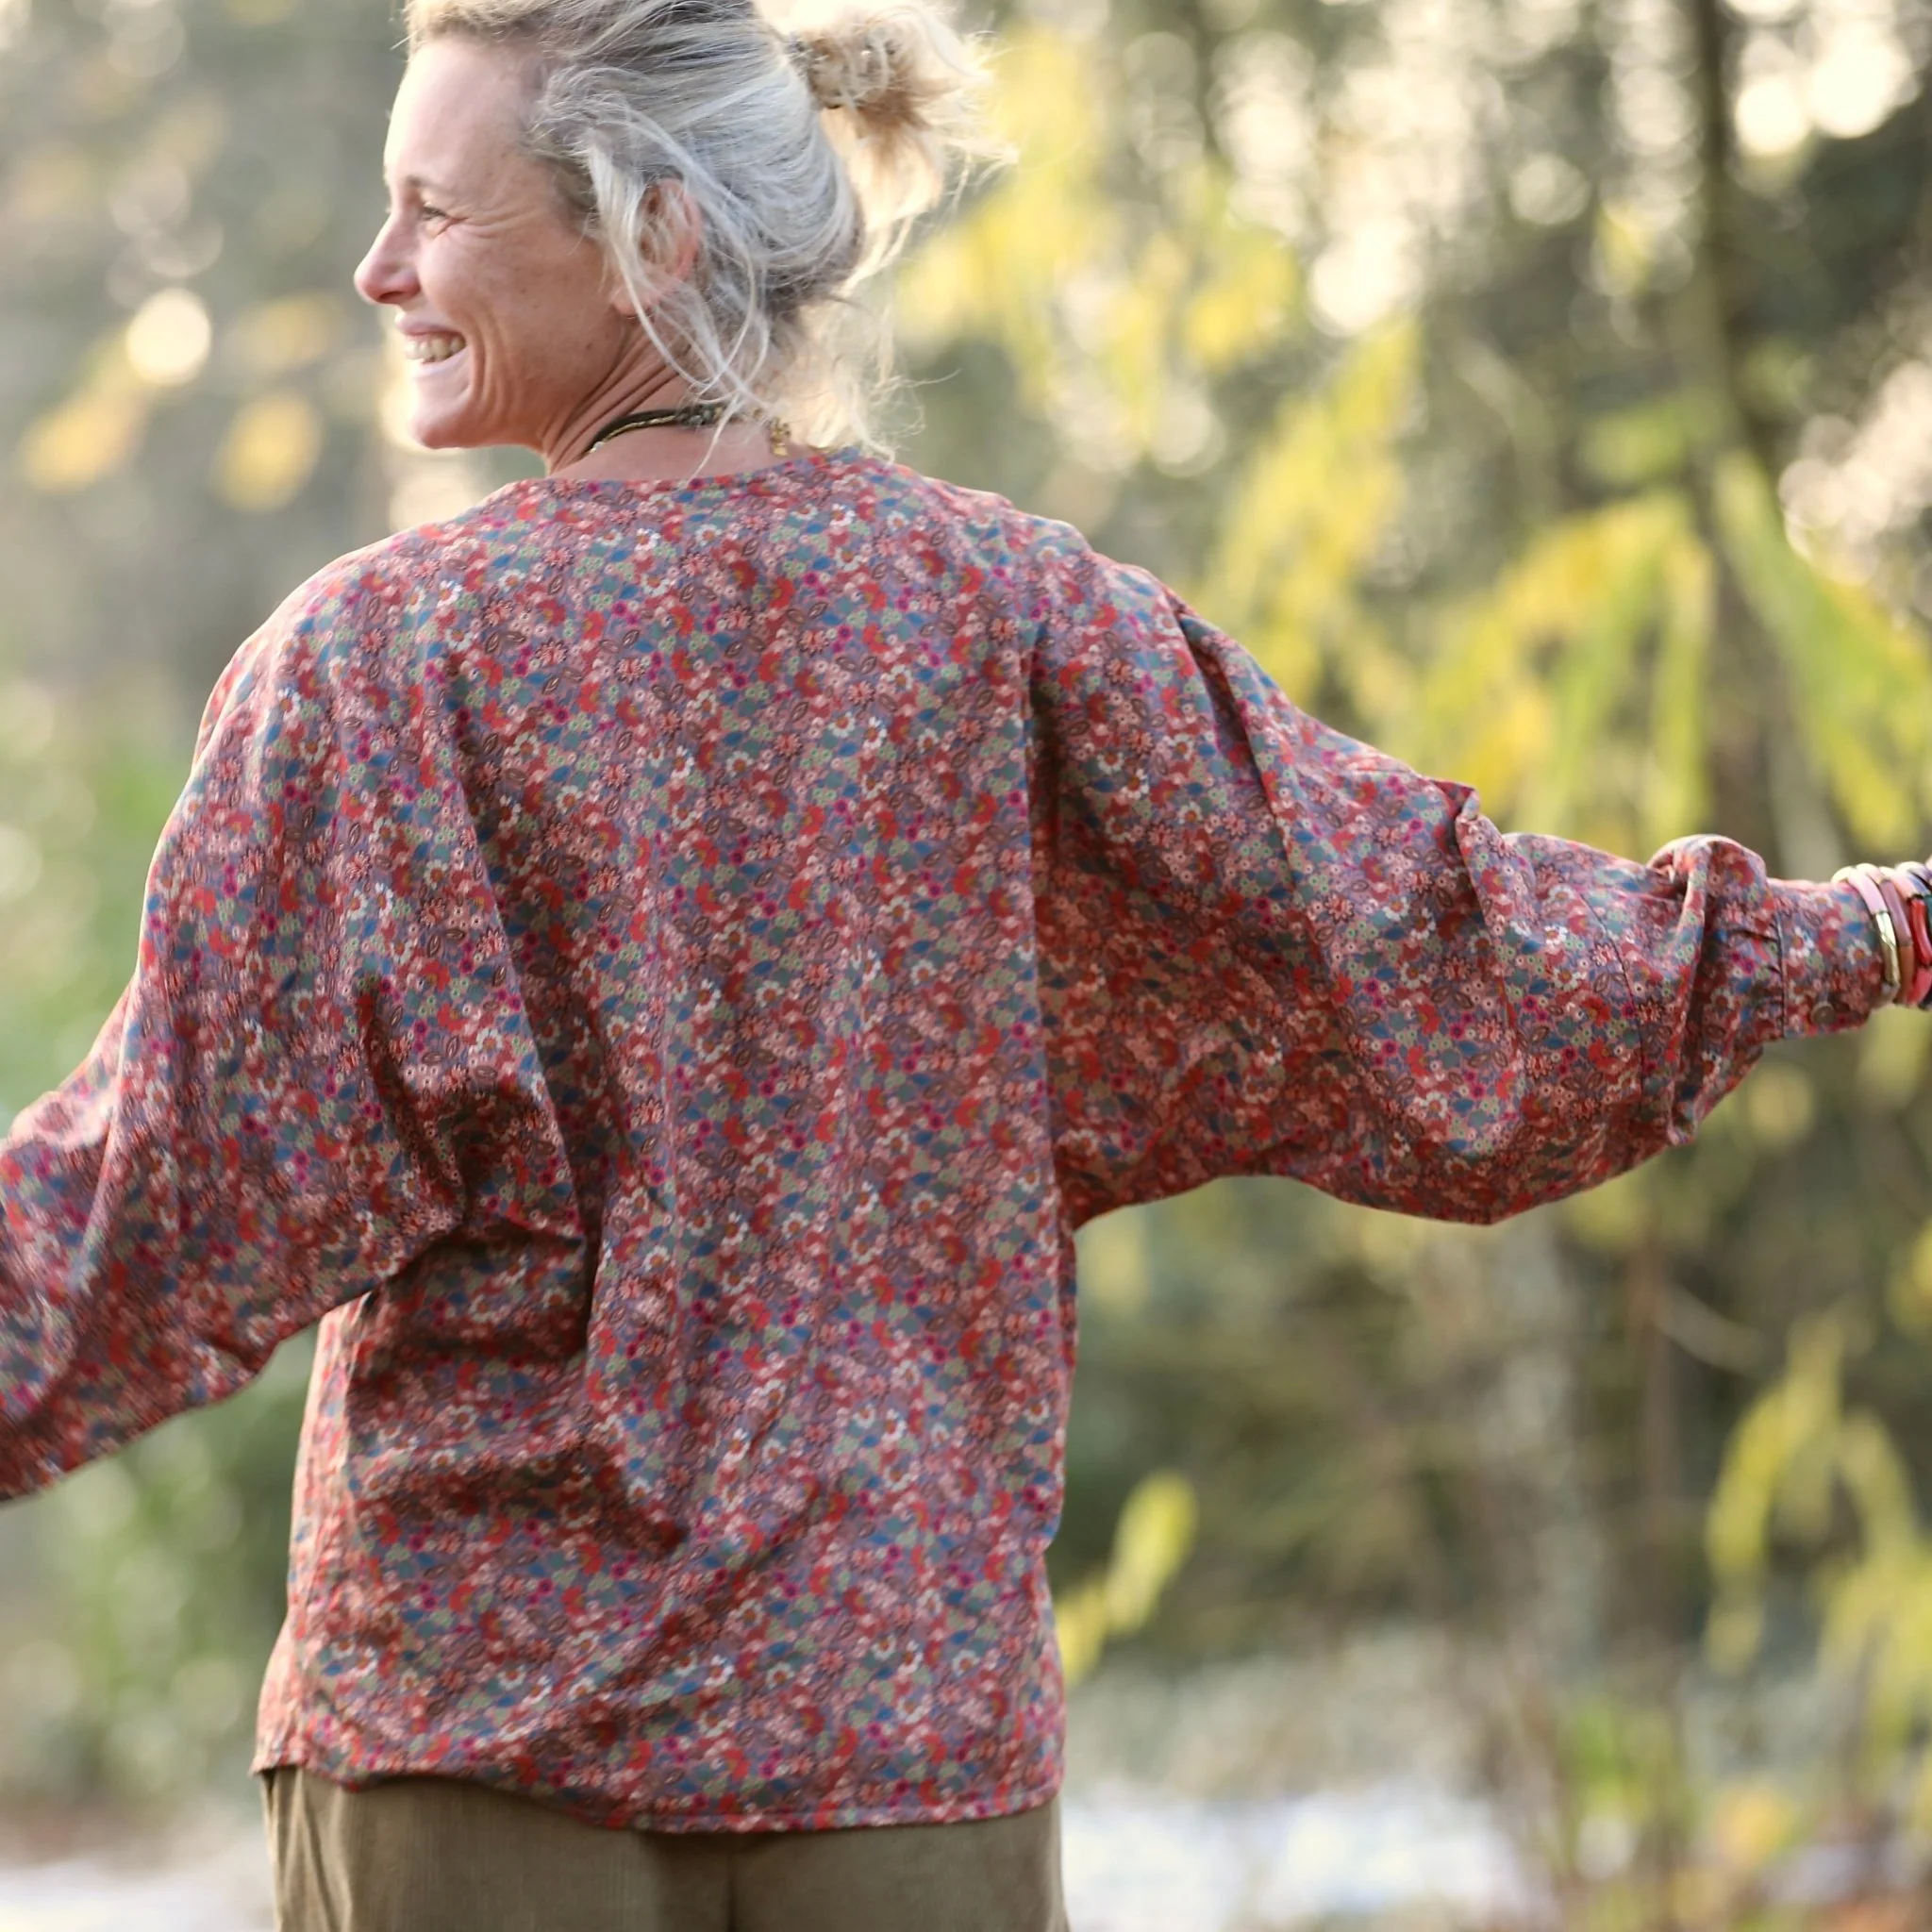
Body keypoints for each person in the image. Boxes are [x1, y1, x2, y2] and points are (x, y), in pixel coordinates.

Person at [0, 0, 1925, 1924]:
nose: (378, 266)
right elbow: (1423, 936)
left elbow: (154, 1197)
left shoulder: (378, 667)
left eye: (433, 206)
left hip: (469, 1763)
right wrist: (1871, 931)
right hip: (897, 1742)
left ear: (654, 234)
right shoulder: (1004, 614)